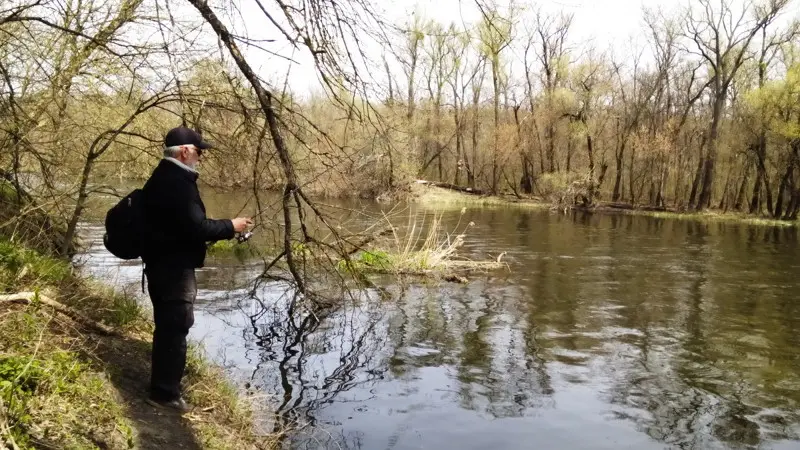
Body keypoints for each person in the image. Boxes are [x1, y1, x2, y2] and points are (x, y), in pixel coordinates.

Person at [140, 126, 252, 412]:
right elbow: (195, 227)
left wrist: (216, 228)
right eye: (199, 152)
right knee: (176, 326)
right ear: (186, 151)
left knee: (168, 326)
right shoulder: (178, 181)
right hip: (173, 269)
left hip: (161, 263)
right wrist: (231, 226)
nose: (201, 157)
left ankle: (163, 385)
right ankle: (165, 394)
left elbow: (183, 225)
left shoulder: (164, 176)